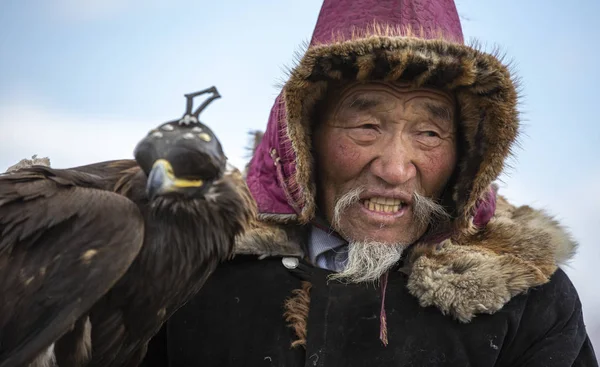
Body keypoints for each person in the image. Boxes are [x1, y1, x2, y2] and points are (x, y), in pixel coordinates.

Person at [141, 0, 599, 366]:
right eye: (365, 126)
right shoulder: (194, 268)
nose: (396, 169)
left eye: (429, 133)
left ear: (466, 155)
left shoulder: (529, 300)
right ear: (303, 138)